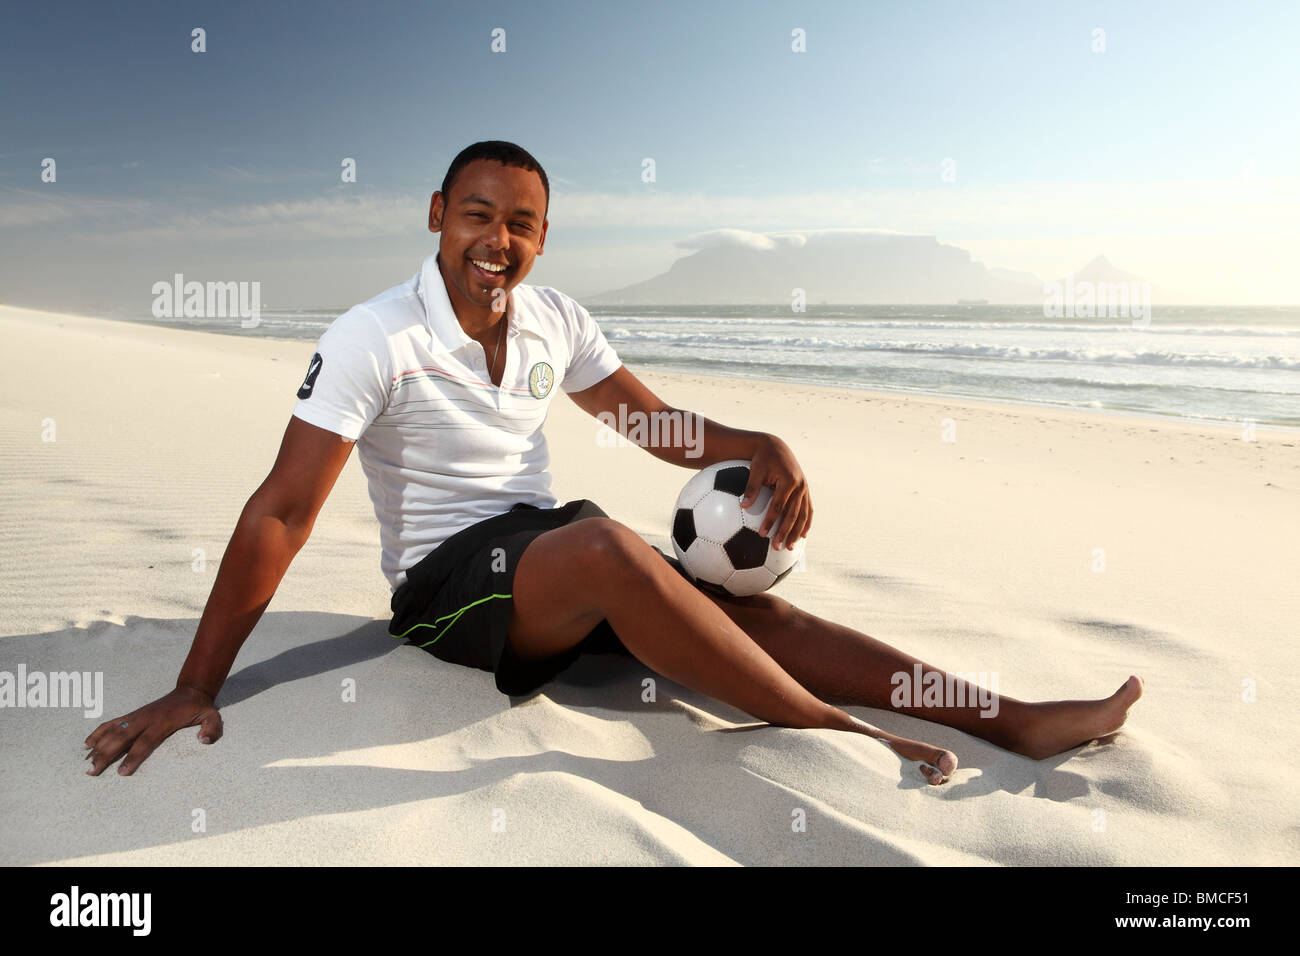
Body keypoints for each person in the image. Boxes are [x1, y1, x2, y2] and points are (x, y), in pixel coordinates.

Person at [84, 141, 1144, 785]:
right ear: (435, 218)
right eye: (476, 216)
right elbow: (281, 510)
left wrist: (755, 444)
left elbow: (651, 424)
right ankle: (830, 723)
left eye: (522, 224)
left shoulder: (552, 317)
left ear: (542, 238)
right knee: (606, 545)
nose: (497, 240)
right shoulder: (373, 334)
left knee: (743, 605)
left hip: (548, 546)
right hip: (450, 587)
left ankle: (1013, 718)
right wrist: (193, 684)